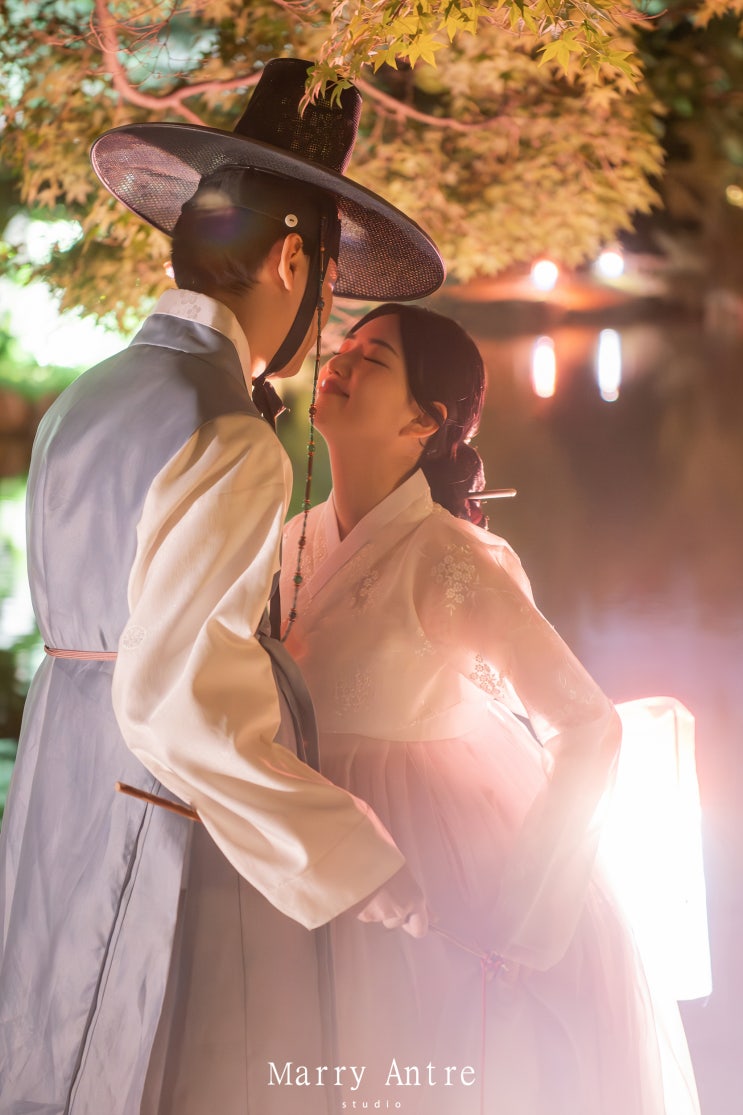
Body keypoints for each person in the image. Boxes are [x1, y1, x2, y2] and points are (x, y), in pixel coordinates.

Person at [0, 62, 445, 1115]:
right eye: (327, 289)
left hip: (59, 784)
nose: (323, 315)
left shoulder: (86, 397)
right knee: (160, 1063)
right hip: (156, 808)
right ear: (292, 260)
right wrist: (350, 856)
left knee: (48, 1046)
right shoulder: (226, 433)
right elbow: (178, 698)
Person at [280, 303, 701, 1115]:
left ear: (422, 421)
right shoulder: (290, 538)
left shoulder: (445, 558)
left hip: (428, 867)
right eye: (346, 345)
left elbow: (588, 725)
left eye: (373, 358)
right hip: (312, 849)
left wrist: (527, 917)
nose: (339, 360)